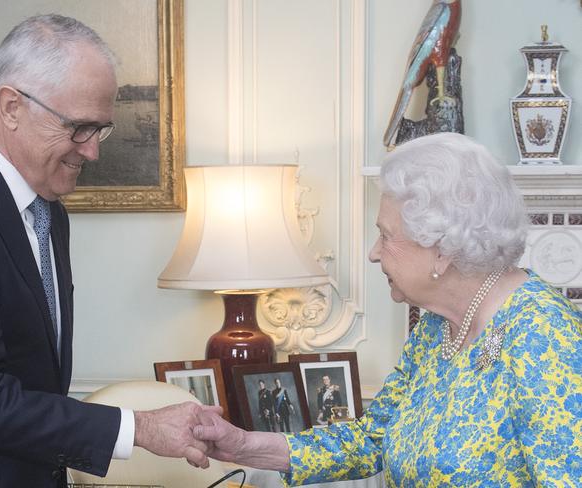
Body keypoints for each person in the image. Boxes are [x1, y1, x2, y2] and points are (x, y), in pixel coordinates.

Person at [193, 132, 582, 486]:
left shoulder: (545, 337)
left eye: (386, 235)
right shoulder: (437, 327)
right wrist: (242, 445)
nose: (374, 253)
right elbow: (372, 439)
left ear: (442, 249)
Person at [0, 15, 217, 488]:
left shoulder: (47, 210)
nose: (92, 152)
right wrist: (140, 427)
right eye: (78, 128)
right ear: (10, 107)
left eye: (99, 130)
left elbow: (36, 380)